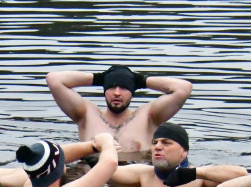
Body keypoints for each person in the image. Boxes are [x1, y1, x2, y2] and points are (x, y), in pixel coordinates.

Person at [45, 64, 193, 155]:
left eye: (124, 87)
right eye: (111, 87)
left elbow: (183, 88)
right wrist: (99, 78)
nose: (117, 93)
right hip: (93, 184)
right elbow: (53, 79)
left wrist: (140, 81)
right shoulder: (86, 114)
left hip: (132, 183)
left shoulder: (148, 116)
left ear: (133, 91)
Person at [107, 122, 247, 187]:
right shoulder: (142, 175)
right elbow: (105, 172)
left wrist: (194, 173)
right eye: (155, 143)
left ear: (184, 152)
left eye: (166, 143)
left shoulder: (201, 180)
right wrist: (98, 149)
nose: (158, 147)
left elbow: (241, 175)